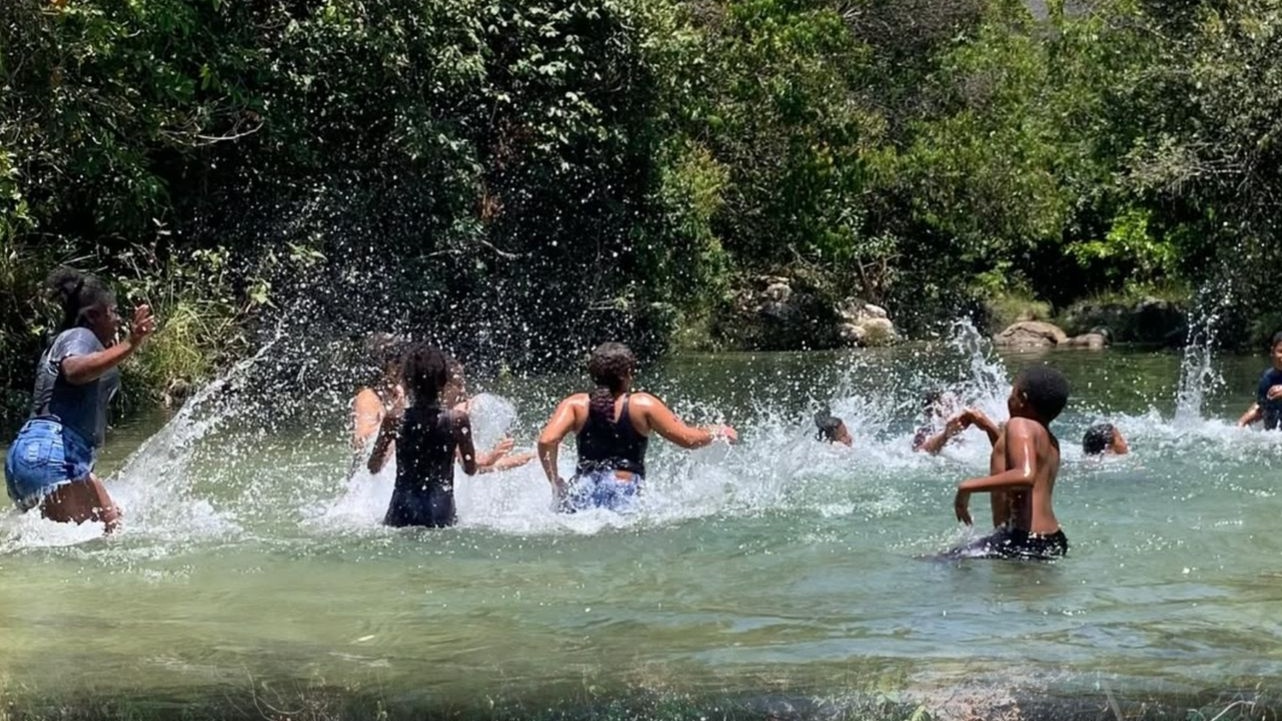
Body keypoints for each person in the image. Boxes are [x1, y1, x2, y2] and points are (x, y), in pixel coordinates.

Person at [4, 268, 157, 533]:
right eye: (114, 311)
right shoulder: (80, 336)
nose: (119, 320)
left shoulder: (74, 341)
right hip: (54, 454)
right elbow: (73, 371)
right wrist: (130, 343)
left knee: (112, 527)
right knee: (107, 544)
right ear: (93, 315)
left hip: (34, 457)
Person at [537, 342, 737, 512]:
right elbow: (689, 439)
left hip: (584, 488)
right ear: (628, 374)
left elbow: (547, 441)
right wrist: (716, 431)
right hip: (624, 489)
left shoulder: (575, 404)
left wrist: (555, 482)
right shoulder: (643, 404)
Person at [948, 366, 1071, 560]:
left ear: (1022, 398)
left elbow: (1024, 475)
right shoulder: (1049, 439)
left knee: (937, 564)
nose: (1008, 398)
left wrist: (965, 488)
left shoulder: (1019, 424)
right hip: (1050, 540)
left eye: (1012, 392)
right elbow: (1007, 457)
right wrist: (987, 426)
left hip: (1022, 539)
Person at [367, 344, 477, 528]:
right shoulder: (458, 420)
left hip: (400, 514)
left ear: (407, 382)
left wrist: (393, 441)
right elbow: (470, 469)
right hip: (442, 514)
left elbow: (373, 466)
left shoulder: (394, 420)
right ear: (444, 381)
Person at [444, 356, 533, 473]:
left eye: (464, 384)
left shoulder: (433, 416)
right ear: (444, 387)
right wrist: (532, 456)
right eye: (459, 385)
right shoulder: (447, 421)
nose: (463, 391)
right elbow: (473, 468)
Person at [351, 333, 406, 451]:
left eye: (402, 358)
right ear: (380, 364)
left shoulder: (398, 392)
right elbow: (361, 442)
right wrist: (392, 418)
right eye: (396, 359)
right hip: (370, 468)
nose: (401, 365)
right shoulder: (368, 397)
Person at [1237, 332, 1282, 430]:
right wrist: (1242, 423)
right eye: (1281, 351)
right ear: (1272, 351)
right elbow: (1261, 407)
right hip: (1274, 436)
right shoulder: (1267, 379)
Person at [912, 390, 964, 454]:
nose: (952, 409)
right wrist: (946, 434)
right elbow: (922, 450)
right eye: (947, 406)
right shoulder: (923, 433)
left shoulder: (961, 428)